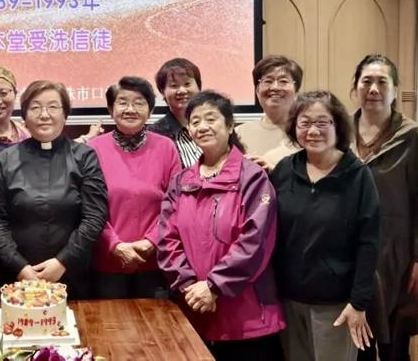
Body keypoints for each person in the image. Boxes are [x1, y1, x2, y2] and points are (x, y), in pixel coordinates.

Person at [157, 90, 285, 361]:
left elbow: (255, 241)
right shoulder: (181, 181)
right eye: (195, 121)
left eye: (211, 119)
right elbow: (167, 239)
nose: (202, 126)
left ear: (229, 126)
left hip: (247, 315)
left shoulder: (252, 178)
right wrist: (190, 285)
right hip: (194, 307)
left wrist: (213, 286)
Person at [271, 90, 380, 361]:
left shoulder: (358, 176)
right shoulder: (284, 170)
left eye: (323, 122)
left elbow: (369, 242)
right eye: (304, 123)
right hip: (289, 299)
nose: (313, 131)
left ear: (338, 126)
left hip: (337, 304)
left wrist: (358, 302)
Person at [0, 80, 107, 298]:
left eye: (53, 107)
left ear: (65, 114)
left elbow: (94, 216)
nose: (44, 115)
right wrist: (20, 267)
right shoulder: (6, 159)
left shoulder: (84, 156)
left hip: (72, 272)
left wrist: (63, 261)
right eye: (35, 108)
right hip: (17, 277)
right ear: (24, 116)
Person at [350, 55, 418, 361]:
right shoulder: (339, 133)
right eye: (366, 81)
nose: (373, 89)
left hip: (397, 253)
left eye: (382, 82)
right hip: (350, 252)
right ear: (355, 87)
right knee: (357, 340)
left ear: (394, 90)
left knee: (395, 343)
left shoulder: (412, 136)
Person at [88, 76, 180, 298]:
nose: (130, 109)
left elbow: (177, 203)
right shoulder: (93, 149)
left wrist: (151, 241)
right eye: (122, 102)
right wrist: (115, 245)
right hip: (106, 263)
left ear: (149, 110)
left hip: (155, 262)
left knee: (156, 329)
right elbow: (88, 206)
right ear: (111, 109)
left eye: (139, 102)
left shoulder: (166, 147)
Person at [237, 55, 303, 168]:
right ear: (257, 90)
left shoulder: (306, 133)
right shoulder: (239, 133)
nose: (275, 87)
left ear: (296, 91)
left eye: (283, 81)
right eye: (268, 81)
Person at [149, 57, 203, 168]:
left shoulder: (217, 124)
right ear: (162, 92)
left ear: (199, 87)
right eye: (174, 86)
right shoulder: (154, 134)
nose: (182, 90)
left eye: (187, 84)